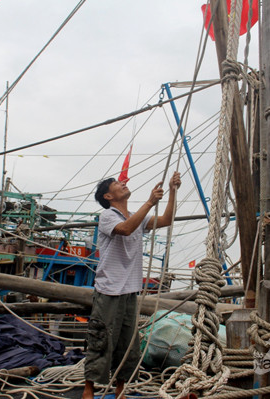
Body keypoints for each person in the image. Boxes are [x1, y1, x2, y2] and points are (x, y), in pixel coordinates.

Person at [82, 171, 181, 399]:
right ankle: (88, 390)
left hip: (129, 291)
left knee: (128, 343)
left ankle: (121, 390)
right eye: (117, 183)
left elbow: (166, 220)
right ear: (108, 196)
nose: (123, 183)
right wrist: (150, 202)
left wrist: (172, 191)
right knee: (101, 338)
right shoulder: (107, 216)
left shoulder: (136, 216)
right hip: (109, 290)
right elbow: (125, 229)